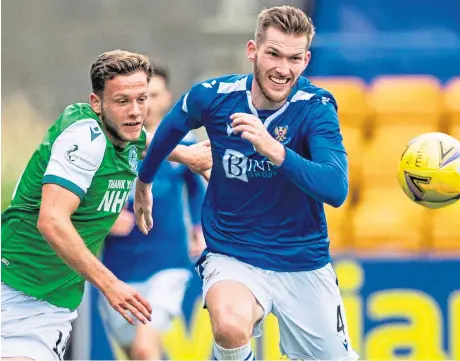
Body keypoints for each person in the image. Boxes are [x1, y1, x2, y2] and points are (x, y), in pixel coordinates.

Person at [135, 5, 360, 361]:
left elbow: (335, 188)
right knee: (228, 325)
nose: (282, 69)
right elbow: (168, 130)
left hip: (303, 261)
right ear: (253, 50)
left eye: (294, 58)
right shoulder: (213, 96)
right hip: (233, 253)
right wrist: (144, 180)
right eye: (273, 54)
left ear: (306, 60)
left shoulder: (315, 107)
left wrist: (274, 149)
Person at [1, 50, 212, 361]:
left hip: (49, 302)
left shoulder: (123, 134)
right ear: (97, 103)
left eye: (142, 99)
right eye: (122, 101)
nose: (136, 111)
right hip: (15, 287)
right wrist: (111, 285)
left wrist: (171, 165)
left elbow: (144, 141)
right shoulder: (85, 139)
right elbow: (52, 221)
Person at [99, 65, 207, 360]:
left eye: (151, 96)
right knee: (138, 352)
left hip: (167, 264)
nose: (144, 105)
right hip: (118, 271)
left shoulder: (184, 144)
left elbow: (198, 188)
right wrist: (103, 220)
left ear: (166, 97)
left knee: (146, 348)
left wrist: (200, 228)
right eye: (137, 97)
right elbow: (77, 200)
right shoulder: (107, 145)